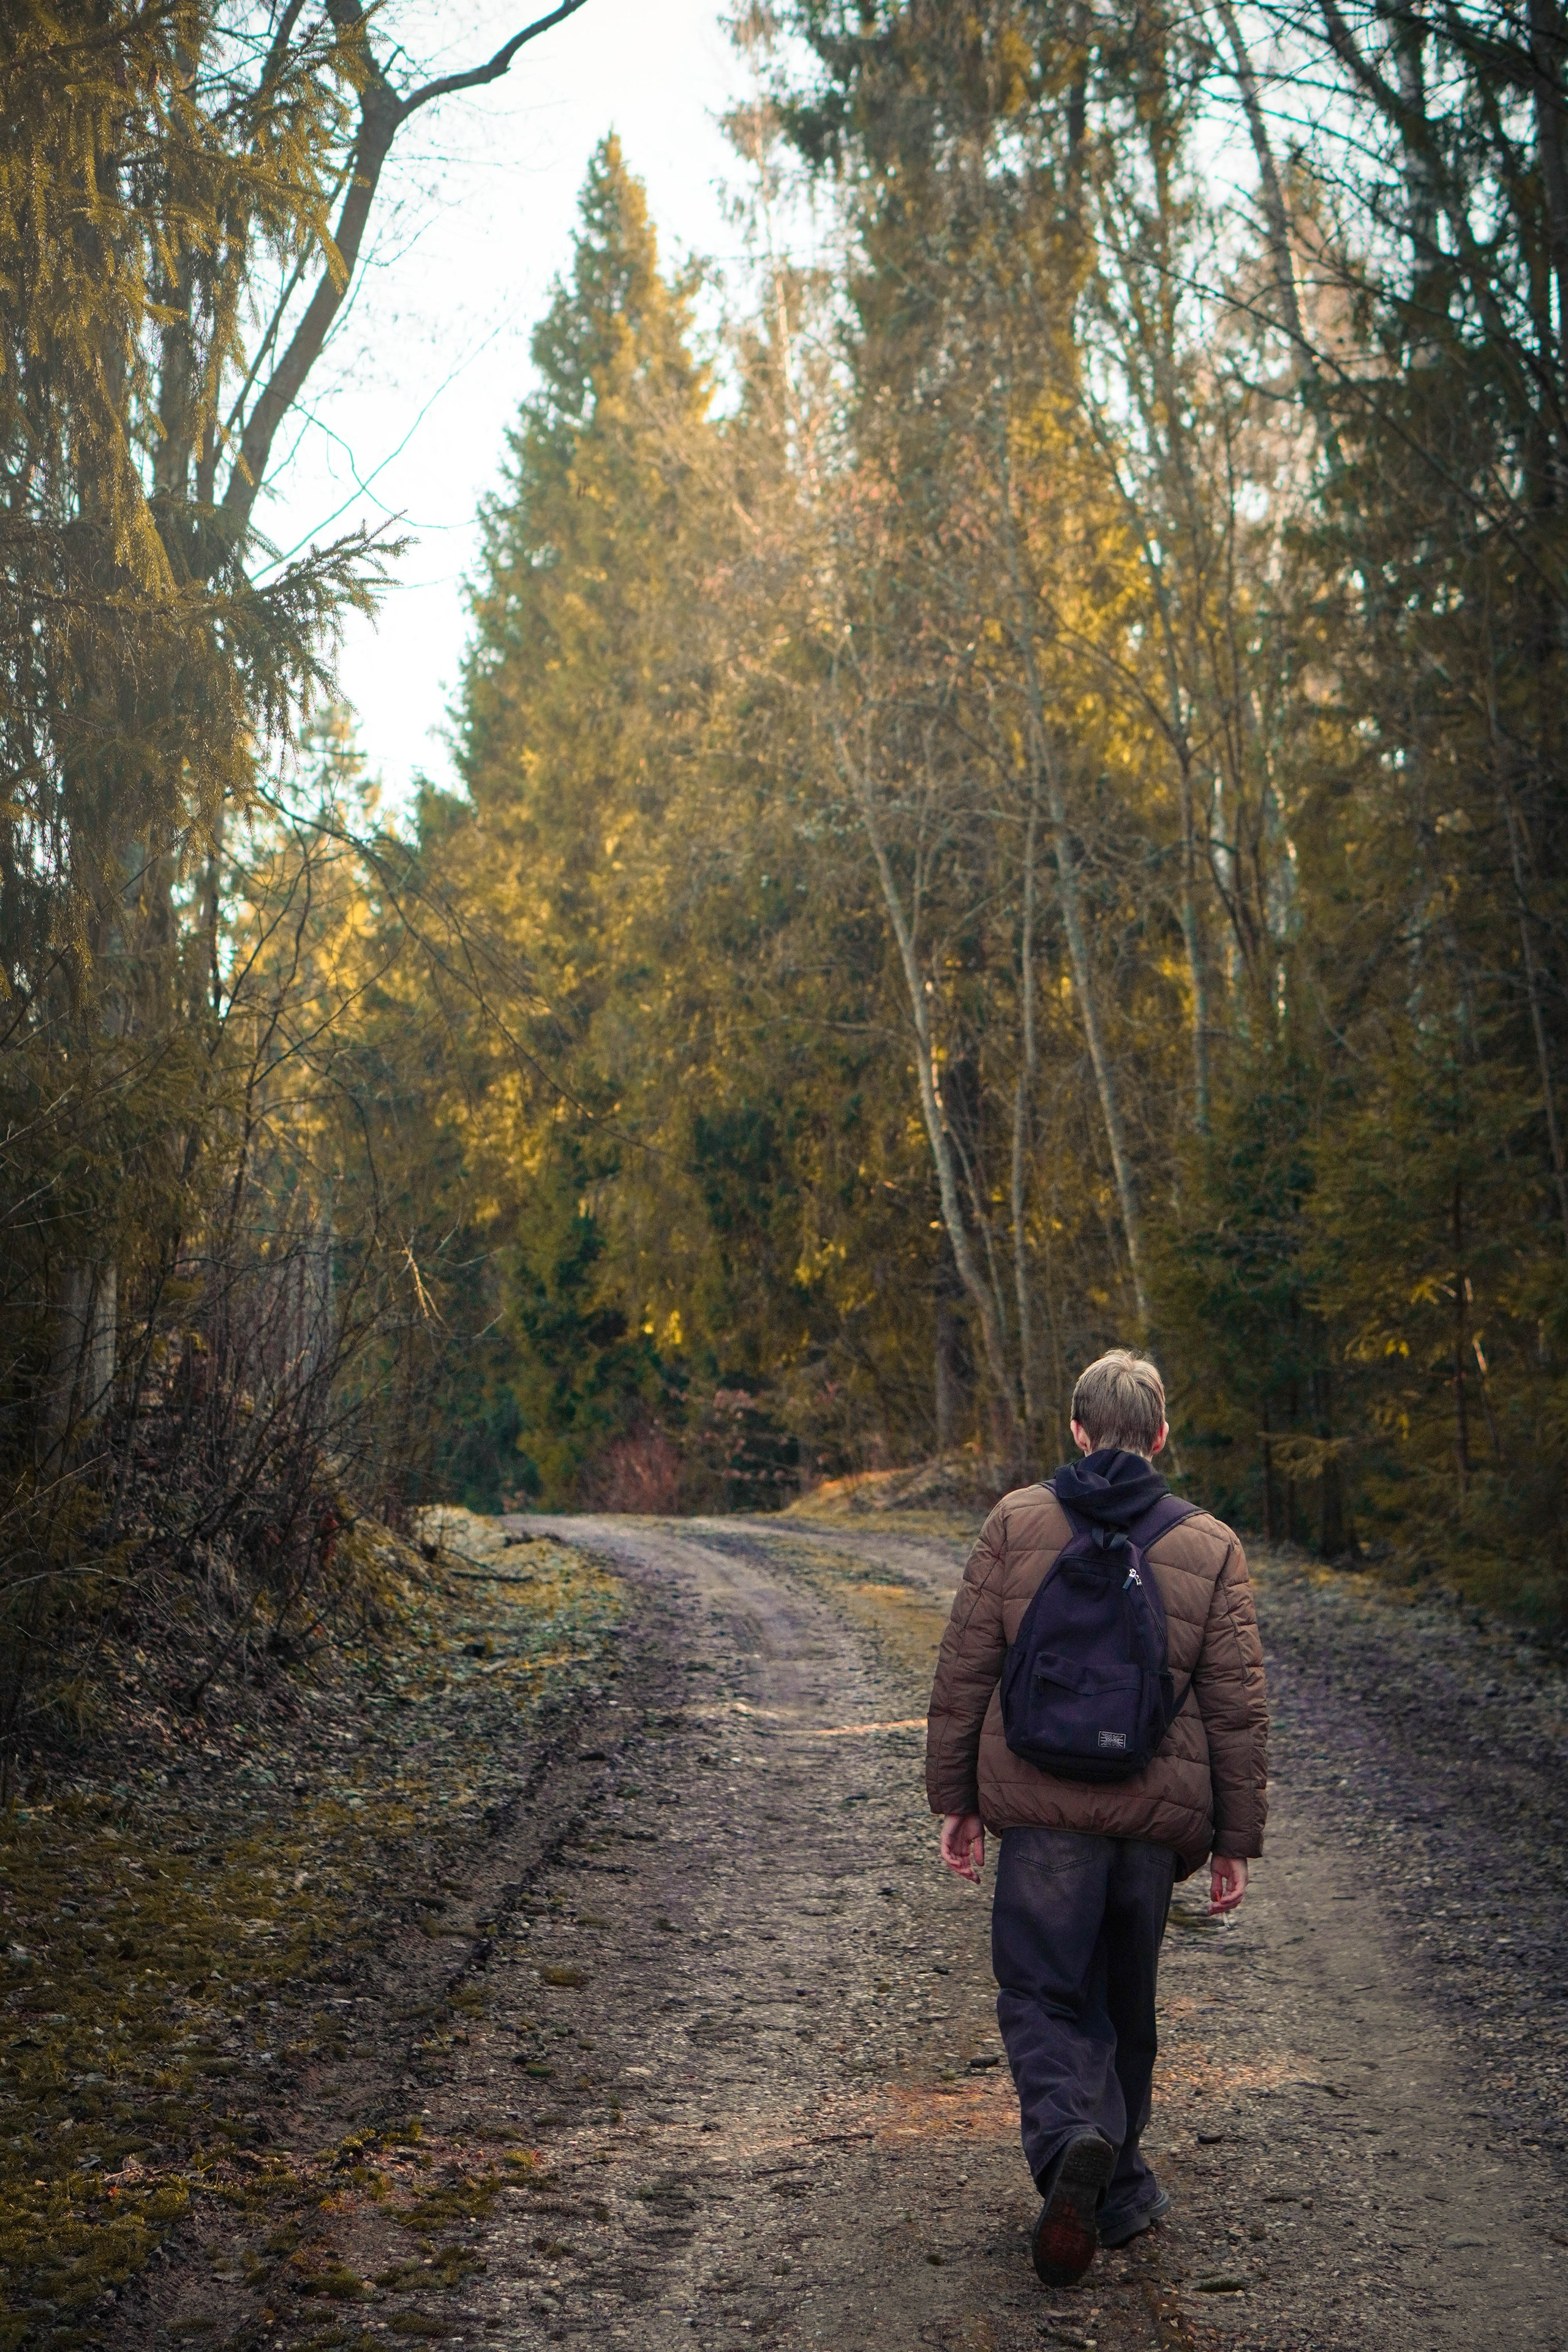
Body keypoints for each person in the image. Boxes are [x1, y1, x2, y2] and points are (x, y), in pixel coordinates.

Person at [924, 1348, 1268, 2286]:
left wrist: (956, 1801)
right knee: (1126, 2005)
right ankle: (1115, 2188)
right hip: (1151, 1823)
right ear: (1161, 1436)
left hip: (1042, 1815)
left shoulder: (1017, 1520)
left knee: (1042, 1994)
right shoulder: (1211, 1543)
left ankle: (1076, 2143)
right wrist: (1236, 1838)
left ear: (1076, 1431)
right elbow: (1236, 1706)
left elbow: (964, 1675)